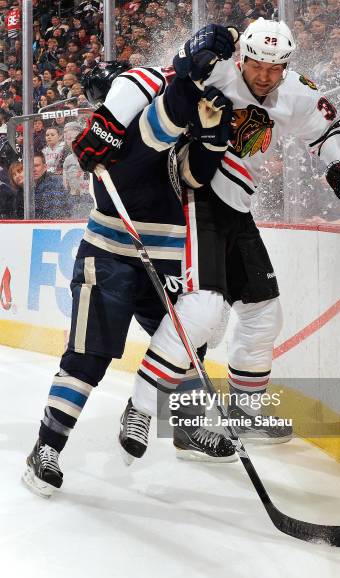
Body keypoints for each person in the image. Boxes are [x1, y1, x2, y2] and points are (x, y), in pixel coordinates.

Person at [106, 19, 340, 452]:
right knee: (203, 311)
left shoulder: (297, 92)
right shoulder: (216, 71)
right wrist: (183, 59)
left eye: (275, 67)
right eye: (257, 65)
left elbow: (326, 131)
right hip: (193, 198)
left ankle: (245, 411)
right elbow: (161, 87)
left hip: (237, 207)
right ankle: (140, 408)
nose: (265, 76)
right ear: (241, 58)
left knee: (264, 312)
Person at [23, 57, 237, 498]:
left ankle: (188, 428)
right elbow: (146, 155)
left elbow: (193, 174)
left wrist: (212, 138)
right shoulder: (114, 144)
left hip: (166, 257)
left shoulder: (167, 122)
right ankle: (46, 447)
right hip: (110, 257)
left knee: (184, 347)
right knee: (89, 356)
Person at [33, 152, 68, 219]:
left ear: (45, 167)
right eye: (30, 166)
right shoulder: (27, 185)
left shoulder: (54, 183)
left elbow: (54, 213)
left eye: (37, 166)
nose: (33, 169)